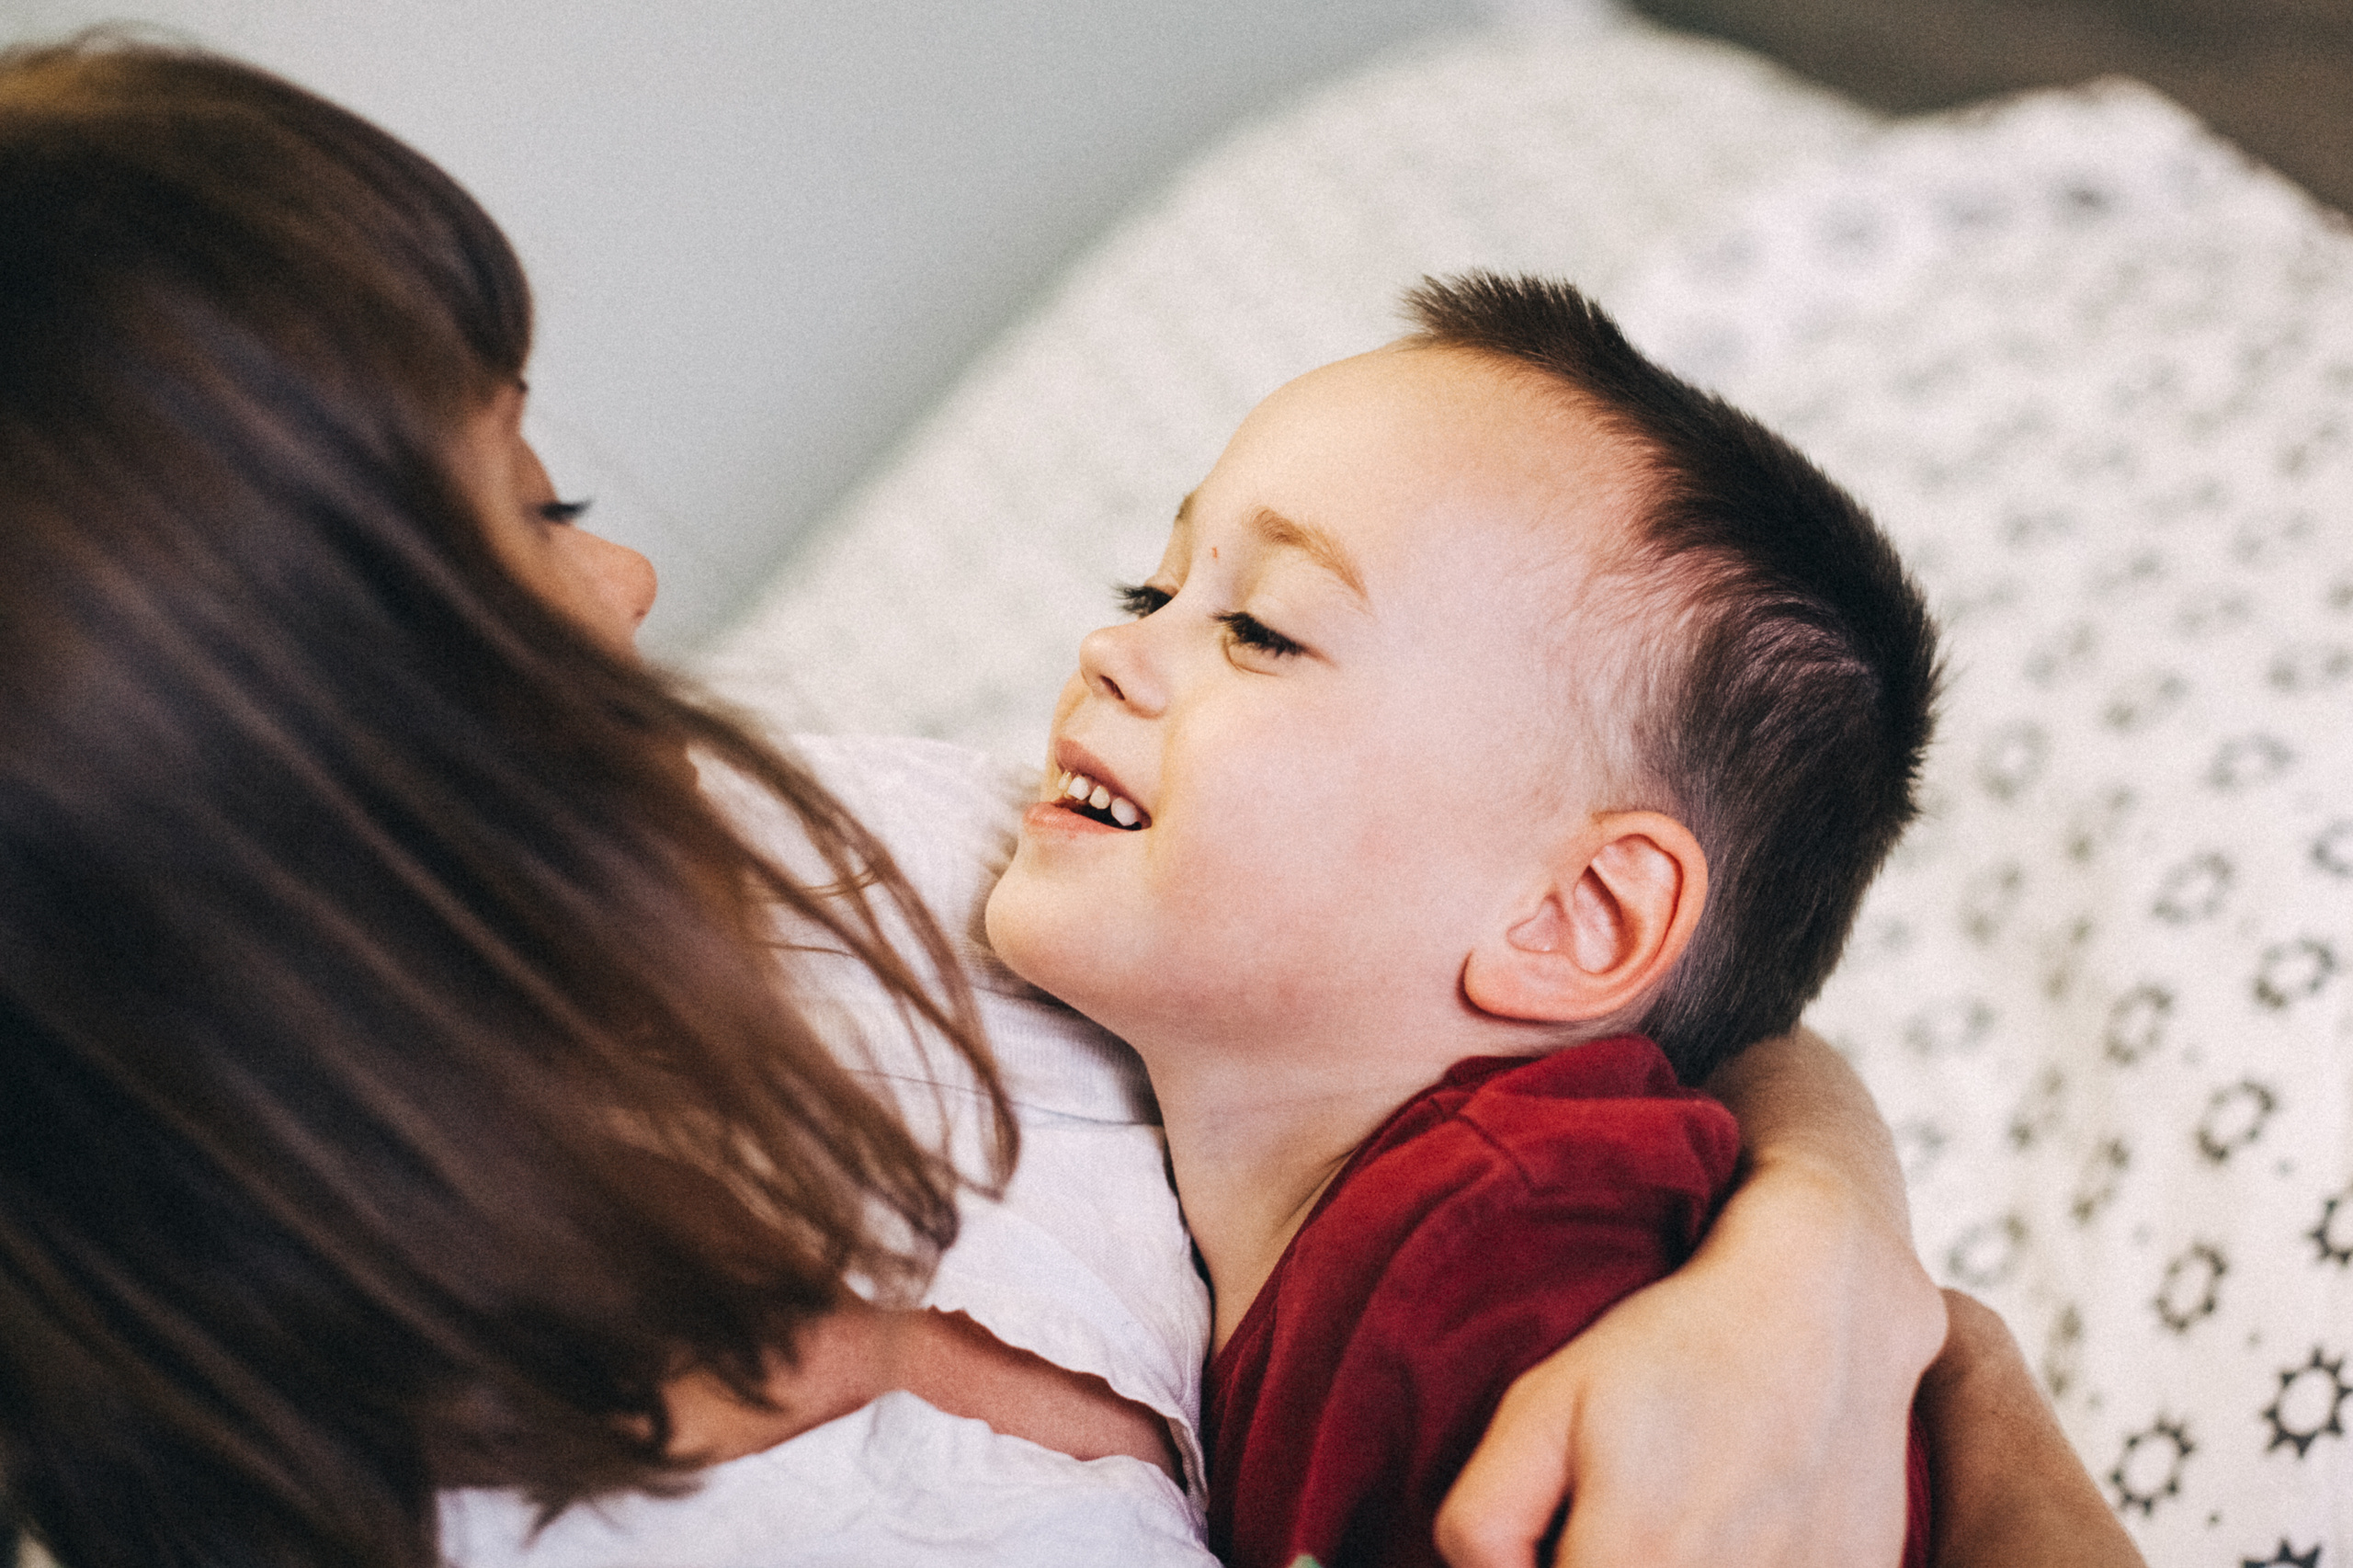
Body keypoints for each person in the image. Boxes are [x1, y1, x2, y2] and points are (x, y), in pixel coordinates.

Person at [0, 34, 2129, 1568]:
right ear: (266, 761)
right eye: (531, 518)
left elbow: (1678, 1011)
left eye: (1253, 624)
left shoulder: (888, 867)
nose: (632, 581)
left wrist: (1817, 1259)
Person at [983, 272, 1942, 1566]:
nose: (1110, 647)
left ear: (1573, 917)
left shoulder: (1522, 1264)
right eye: (1154, 594)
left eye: (1262, 629)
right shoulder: (1402, 1245)